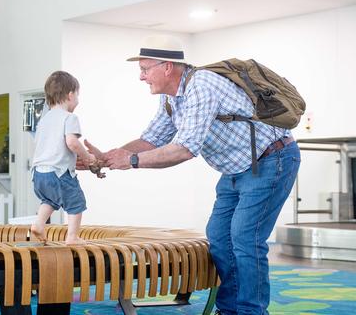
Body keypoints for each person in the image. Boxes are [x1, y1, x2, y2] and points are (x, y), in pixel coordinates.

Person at [84, 35, 301, 315]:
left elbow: (184, 149)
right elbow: (152, 140)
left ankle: (251, 312)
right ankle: (229, 309)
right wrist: (106, 157)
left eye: (145, 69)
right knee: (219, 237)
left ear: (167, 67)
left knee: (245, 238)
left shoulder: (203, 84)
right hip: (236, 167)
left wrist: (132, 161)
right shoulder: (171, 98)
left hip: (272, 160)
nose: (141, 77)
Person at [30, 71, 99, 245]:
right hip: (59, 173)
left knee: (49, 200)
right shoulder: (70, 117)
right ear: (70, 95)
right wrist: (88, 157)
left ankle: (38, 224)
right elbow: (72, 142)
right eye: (77, 95)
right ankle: (72, 237)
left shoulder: (44, 121)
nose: (78, 100)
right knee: (76, 202)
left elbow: (49, 147)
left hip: (38, 174)